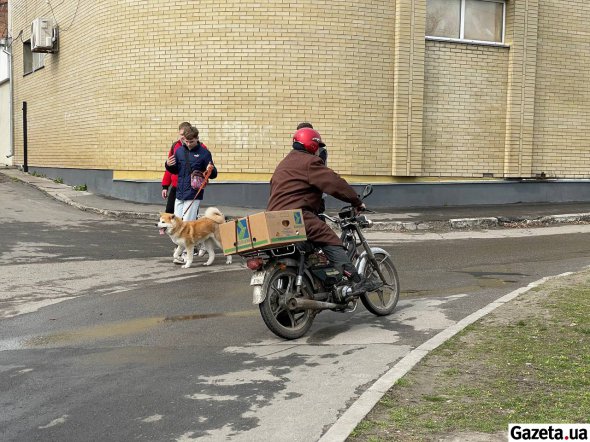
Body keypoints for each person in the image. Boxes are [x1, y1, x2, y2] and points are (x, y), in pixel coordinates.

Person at [267, 127, 380, 296]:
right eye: (318, 146)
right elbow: (335, 184)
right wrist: (356, 200)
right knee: (329, 237)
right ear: (313, 145)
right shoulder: (309, 162)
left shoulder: (284, 163)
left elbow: (297, 191)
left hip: (273, 218)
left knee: (311, 245)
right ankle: (356, 281)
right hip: (296, 216)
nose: (319, 150)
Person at [165, 125, 217, 221]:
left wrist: (210, 169)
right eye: (186, 141)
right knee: (177, 223)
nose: (188, 144)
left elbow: (214, 174)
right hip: (179, 192)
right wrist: (168, 165)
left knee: (188, 223)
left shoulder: (205, 153)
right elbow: (175, 171)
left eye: (191, 141)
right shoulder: (179, 151)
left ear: (197, 138)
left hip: (193, 192)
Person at [161, 122, 193, 214]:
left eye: (184, 134)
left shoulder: (199, 146)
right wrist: (165, 186)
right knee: (169, 214)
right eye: (181, 134)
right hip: (176, 186)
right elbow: (169, 167)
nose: (182, 137)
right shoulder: (175, 146)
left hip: (190, 188)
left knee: (188, 217)